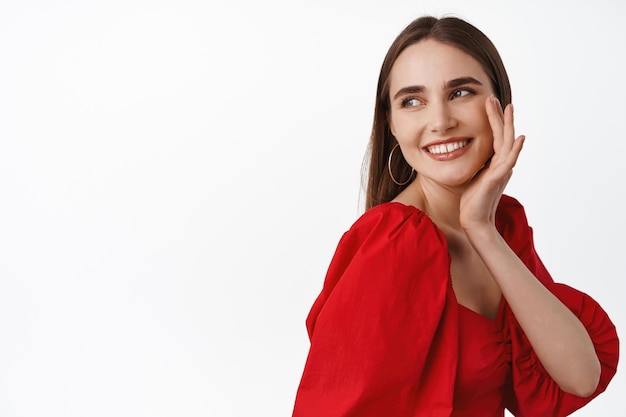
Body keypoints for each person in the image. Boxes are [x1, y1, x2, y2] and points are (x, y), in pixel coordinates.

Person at [291, 15, 619, 417]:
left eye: (460, 92)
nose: (441, 122)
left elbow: (580, 376)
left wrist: (482, 230)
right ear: (391, 125)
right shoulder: (391, 243)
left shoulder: (501, 225)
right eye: (412, 101)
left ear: (499, 104)